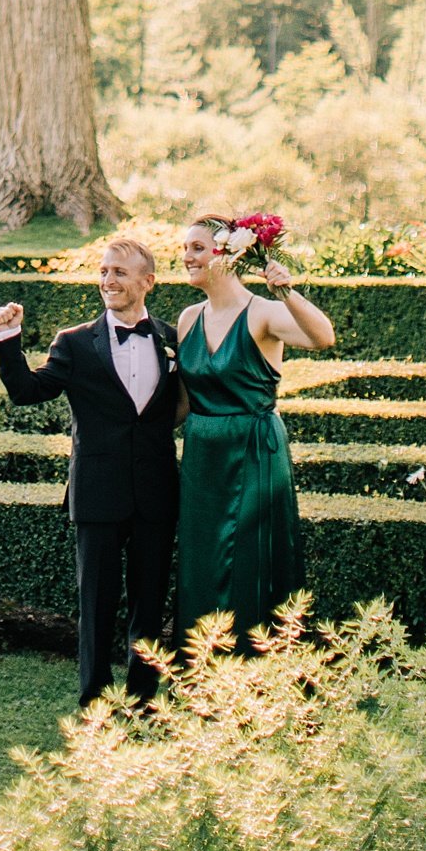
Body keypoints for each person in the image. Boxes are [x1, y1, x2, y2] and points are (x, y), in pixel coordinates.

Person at [0, 230, 179, 707]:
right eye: (103, 272)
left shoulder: (172, 338)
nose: (108, 281)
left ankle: (142, 699)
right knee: (95, 603)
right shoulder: (74, 342)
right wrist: (8, 340)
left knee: (149, 603)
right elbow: (27, 391)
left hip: (157, 490)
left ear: (147, 281)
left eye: (119, 273)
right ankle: (94, 700)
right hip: (97, 491)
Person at [173, 212, 335, 651]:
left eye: (197, 248)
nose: (186, 257)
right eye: (185, 248)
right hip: (202, 458)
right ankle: (202, 669)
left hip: (254, 450)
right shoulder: (188, 319)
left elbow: (323, 337)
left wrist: (285, 291)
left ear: (227, 255)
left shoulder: (263, 313)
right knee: (201, 561)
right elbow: (183, 405)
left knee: (251, 558)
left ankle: (261, 667)